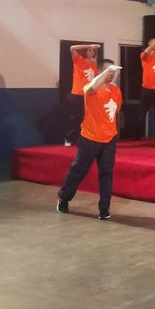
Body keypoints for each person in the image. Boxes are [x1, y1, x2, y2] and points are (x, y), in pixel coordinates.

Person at [57, 60, 123, 219]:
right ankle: (64, 197)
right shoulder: (90, 87)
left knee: (106, 173)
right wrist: (104, 74)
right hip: (90, 137)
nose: (111, 74)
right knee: (79, 170)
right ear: (100, 71)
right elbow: (93, 87)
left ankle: (104, 208)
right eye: (108, 71)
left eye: (113, 71)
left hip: (109, 138)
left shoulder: (116, 90)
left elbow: (117, 110)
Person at [65, 44, 99, 146]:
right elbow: (72, 48)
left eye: (93, 51)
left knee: (88, 117)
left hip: (89, 94)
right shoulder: (78, 60)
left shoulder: (93, 64)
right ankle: (70, 138)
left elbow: (95, 79)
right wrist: (89, 45)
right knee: (76, 117)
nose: (91, 52)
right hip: (78, 93)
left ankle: (86, 138)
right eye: (89, 50)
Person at [137, 38, 155, 143]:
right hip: (147, 88)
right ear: (150, 44)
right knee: (142, 113)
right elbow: (145, 53)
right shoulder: (145, 56)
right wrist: (154, 43)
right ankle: (137, 134)